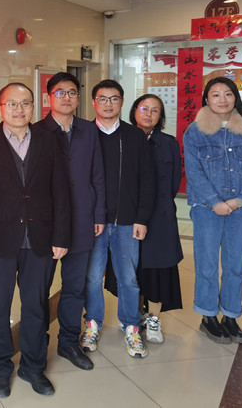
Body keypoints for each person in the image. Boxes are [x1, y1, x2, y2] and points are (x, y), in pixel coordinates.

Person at [0, 82, 71, 398]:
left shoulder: (48, 141)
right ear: (0, 107)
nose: (19, 110)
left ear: (34, 106)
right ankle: (0, 369)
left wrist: (61, 235)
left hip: (41, 238)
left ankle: (33, 367)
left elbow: (61, 190)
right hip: (0, 240)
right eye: (12, 104)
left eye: (25, 103)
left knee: (36, 306)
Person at [33, 72, 105, 371]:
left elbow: (97, 175)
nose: (67, 97)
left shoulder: (89, 130)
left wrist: (98, 214)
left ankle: (68, 343)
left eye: (72, 92)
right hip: (46, 225)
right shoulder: (36, 131)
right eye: (60, 92)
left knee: (75, 287)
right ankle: (36, 347)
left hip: (82, 220)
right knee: (38, 290)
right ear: (48, 97)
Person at [183, 77, 242, 345]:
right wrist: (215, 201)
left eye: (228, 94)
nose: (222, 100)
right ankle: (208, 316)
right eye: (215, 95)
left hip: (240, 209)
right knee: (206, 265)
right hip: (206, 208)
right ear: (206, 99)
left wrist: (240, 200)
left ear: (235, 97)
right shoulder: (194, 132)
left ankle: (230, 315)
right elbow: (194, 172)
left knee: (235, 265)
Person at [82, 80, 154, 359]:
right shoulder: (84, 134)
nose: (108, 104)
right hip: (93, 222)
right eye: (102, 98)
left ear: (122, 102)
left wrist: (141, 218)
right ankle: (92, 324)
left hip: (126, 222)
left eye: (114, 99)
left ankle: (131, 327)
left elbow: (147, 180)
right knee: (92, 278)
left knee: (128, 278)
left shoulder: (134, 136)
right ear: (94, 102)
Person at [129, 94, 183, 344]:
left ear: (160, 116)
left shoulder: (169, 143)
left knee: (158, 270)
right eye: (144, 108)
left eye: (155, 110)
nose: (149, 114)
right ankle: (136, 314)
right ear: (134, 111)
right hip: (130, 216)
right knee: (133, 269)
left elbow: (173, 183)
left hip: (160, 218)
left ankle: (153, 319)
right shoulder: (125, 138)